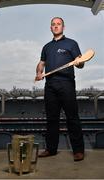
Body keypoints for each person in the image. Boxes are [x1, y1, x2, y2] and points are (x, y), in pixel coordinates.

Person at [35, 17, 84, 161]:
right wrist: (39, 72)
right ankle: (51, 149)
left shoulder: (72, 44)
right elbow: (41, 63)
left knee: (72, 118)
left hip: (67, 84)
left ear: (63, 27)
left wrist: (79, 62)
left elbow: (80, 64)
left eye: (58, 24)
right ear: (51, 28)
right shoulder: (46, 47)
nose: (56, 26)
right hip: (50, 86)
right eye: (53, 24)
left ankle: (78, 151)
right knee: (51, 119)